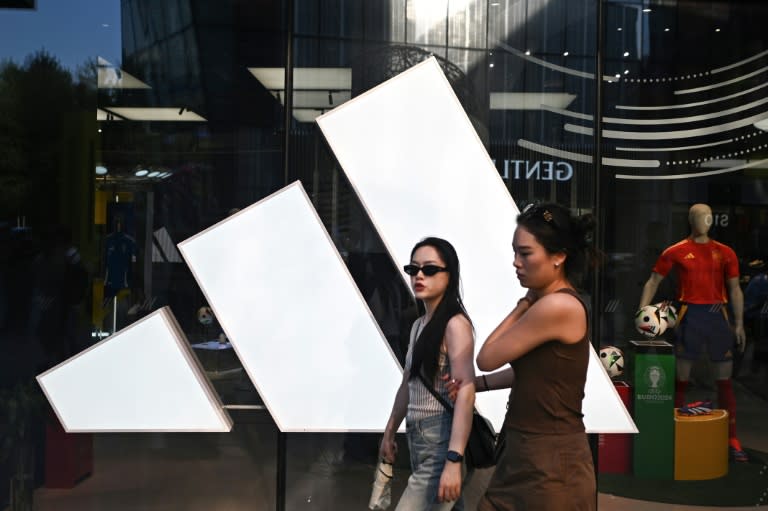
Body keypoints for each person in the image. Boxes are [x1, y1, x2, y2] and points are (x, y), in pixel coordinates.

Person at [473, 203, 598, 511]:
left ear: (558, 257)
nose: (516, 263)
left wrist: (522, 305)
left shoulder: (555, 307)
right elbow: (537, 372)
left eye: (525, 254)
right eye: (515, 252)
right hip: (528, 453)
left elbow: (487, 357)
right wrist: (477, 385)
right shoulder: (552, 304)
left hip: (551, 465)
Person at [638, 203, 747, 462]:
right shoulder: (676, 251)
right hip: (689, 314)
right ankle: (672, 430)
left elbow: (734, 289)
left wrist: (739, 322)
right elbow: (653, 281)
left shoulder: (725, 253)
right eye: (700, 216)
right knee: (682, 376)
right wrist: (642, 312)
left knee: (724, 378)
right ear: (691, 220)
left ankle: (732, 437)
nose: (706, 219)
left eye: (709, 215)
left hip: (717, 315)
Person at [379, 237, 475, 510]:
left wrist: (454, 460)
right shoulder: (419, 325)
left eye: (430, 269)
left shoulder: (455, 325)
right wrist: (389, 432)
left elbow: (465, 393)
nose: (419, 275)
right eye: (413, 269)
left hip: (441, 440)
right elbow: (407, 384)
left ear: (450, 275)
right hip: (418, 437)